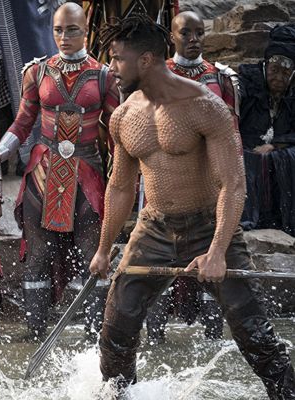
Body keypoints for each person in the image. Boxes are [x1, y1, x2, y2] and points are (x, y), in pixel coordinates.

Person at [91, 15, 295, 398]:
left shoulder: (205, 106)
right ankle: (119, 394)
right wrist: (104, 250)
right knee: (116, 331)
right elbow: (119, 187)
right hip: (154, 229)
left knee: (255, 335)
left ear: (147, 60)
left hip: (210, 226)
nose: (112, 68)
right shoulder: (124, 115)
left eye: (118, 59)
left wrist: (217, 251)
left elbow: (233, 184)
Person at [0, 2, 119, 338]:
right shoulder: (37, 72)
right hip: (42, 172)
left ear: (85, 30)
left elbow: (117, 129)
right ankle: (35, 330)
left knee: (92, 253)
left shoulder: (104, 76)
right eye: (58, 29)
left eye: (71, 29)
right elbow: (23, 122)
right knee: (37, 254)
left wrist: (127, 169)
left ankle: (95, 332)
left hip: (86, 171)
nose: (64, 36)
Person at [145, 10, 237, 344]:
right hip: (168, 182)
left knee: (211, 258)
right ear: (172, 36)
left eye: (199, 32)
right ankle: (155, 344)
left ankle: (212, 342)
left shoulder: (221, 78)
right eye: (186, 32)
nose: (194, 38)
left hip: (210, 183)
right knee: (162, 259)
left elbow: (233, 135)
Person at [238, 24, 295, 235]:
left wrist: (275, 144)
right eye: (274, 70)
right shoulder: (247, 80)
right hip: (247, 146)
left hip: (278, 147)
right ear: (265, 67)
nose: (279, 77)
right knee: (241, 158)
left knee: (288, 156)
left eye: (285, 72)